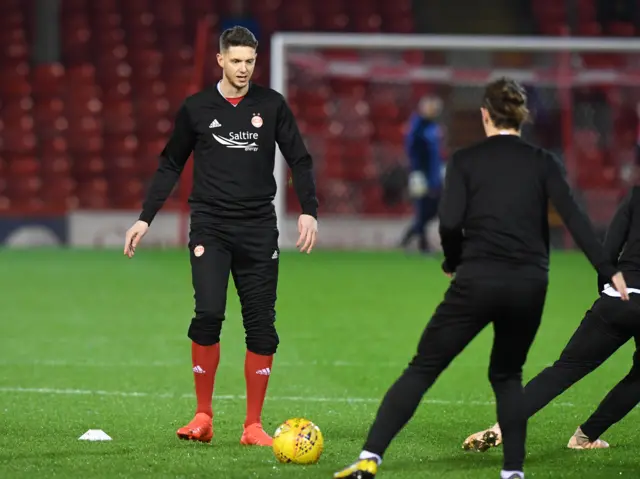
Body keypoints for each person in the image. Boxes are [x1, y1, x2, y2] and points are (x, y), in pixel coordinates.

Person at [333, 77, 628, 479]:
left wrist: (453, 260)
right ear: (522, 118)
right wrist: (608, 270)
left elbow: (450, 223)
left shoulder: (466, 160)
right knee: (507, 375)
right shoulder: (544, 162)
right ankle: (512, 473)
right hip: (528, 284)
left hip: (478, 278)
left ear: (485, 114)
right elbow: (577, 221)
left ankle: (369, 459)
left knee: (422, 369)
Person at [122, 26, 319, 447]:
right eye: (236, 61)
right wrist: (145, 218)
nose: (243, 69)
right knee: (208, 314)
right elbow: (170, 164)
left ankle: (253, 427)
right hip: (210, 227)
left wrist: (309, 211)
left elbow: (299, 159)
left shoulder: (272, 105)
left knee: (261, 326)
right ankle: (203, 416)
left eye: (250, 61)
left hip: (259, 228)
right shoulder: (196, 109)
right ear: (220, 60)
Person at [463, 186, 640, 453]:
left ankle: (502, 426)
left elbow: (609, 248)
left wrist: (609, 294)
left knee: (565, 368)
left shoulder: (637, 195)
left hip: (619, 295)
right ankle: (584, 437)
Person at [399, 95, 445, 253]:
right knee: (424, 209)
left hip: (434, 176)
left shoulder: (433, 127)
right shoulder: (417, 126)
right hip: (420, 175)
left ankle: (409, 238)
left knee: (432, 210)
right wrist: (417, 172)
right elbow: (412, 150)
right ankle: (421, 244)